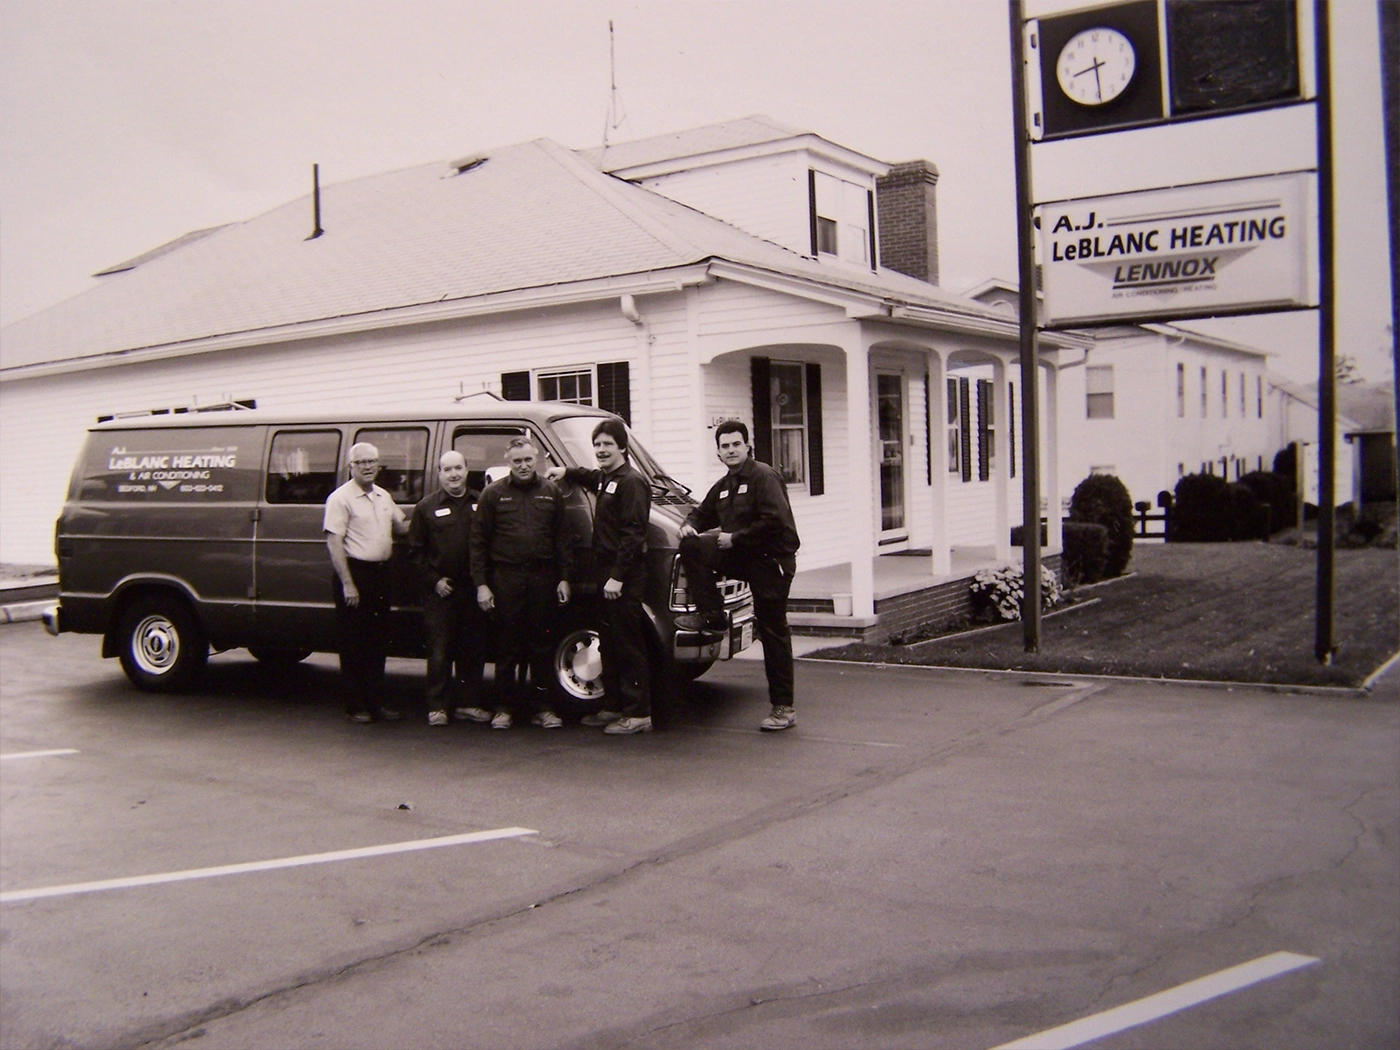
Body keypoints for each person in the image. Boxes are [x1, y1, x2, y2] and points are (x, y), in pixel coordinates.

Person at [676, 420, 801, 731]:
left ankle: (783, 707)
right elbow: (701, 512)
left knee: (772, 630)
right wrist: (689, 525)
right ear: (718, 452)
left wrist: (735, 538)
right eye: (724, 446)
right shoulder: (724, 486)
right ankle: (713, 616)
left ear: (747, 446)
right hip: (745, 557)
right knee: (692, 546)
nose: (730, 450)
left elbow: (774, 521)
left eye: (736, 444)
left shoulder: (763, 476)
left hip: (772, 562)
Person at [548, 419, 654, 735]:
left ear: (622, 447)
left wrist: (618, 577)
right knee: (609, 641)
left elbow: (634, 534)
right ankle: (614, 706)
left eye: (608, 444)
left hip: (623, 575)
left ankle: (638, 714)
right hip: (605, 572)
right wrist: (568, 472)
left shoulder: (632, 483)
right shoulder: (609, 478)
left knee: (628, 642)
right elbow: (592, 476)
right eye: (597, 445)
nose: (601, 450)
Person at [470, 437, 572, 730]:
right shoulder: (492, 494)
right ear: (508, 462)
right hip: (506, 579)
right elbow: (477, 544)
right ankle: (504, 708)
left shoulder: (551, 492)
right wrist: (482, 584)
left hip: (543, 578)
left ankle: (543, 709)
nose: (524, 466)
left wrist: (564, 578)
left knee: (542, 644)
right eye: (517, 461)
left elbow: (562, 541)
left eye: (528, 460)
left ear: (537, 460)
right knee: (507, 646)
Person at [324, 441, 409, 723]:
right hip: (355, 575)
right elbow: (334, 543)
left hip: (381, 575)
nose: (369, 467)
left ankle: (375, 703)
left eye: (373, 461)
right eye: (362, 462)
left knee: (377, 642)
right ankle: (355, 705)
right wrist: (348, 583)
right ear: (351, 466)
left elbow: (403, 526)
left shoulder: (384, 496)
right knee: (354, 644)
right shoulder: (340, 498)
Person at [408, 451, 490, 727]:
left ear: (467, 470)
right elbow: (415, 553)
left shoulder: (481, 502)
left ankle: (469, 704)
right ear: (439, 474)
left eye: (458, 468)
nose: (453, 474)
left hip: (473, 588)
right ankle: (438, 707)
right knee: (439, 650)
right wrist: (435, 581)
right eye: (447, 469)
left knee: (473, 648)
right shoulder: (426, 507)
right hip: (441, 591)